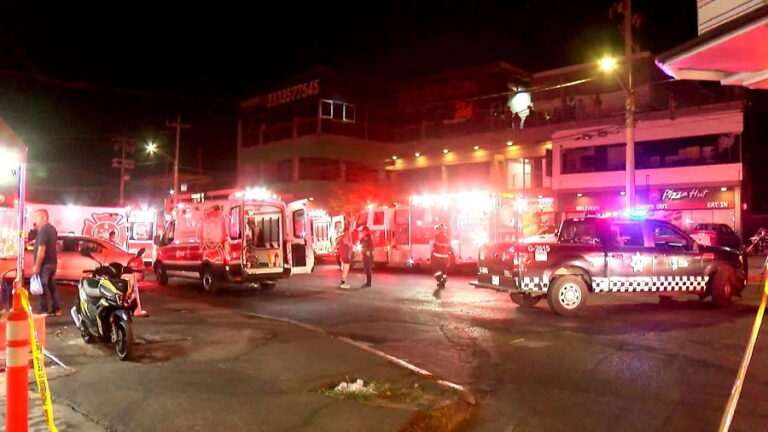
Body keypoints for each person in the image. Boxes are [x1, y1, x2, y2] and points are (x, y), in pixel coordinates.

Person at [32, 209, 59, 316]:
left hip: (45, 264)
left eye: (37, 217)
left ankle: (44, 310)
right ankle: (57, 309)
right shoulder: (52, 229)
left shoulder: (43, 230)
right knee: (52, 286)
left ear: (44, 217)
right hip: (53, 262)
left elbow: (41, 249)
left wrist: (37, 266)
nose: (36, 220)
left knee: (42, 285)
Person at [431, 223, 453, 288]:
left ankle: (440, 280)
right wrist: (448, 254)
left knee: (436, 270)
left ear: (439, 230)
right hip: (445, 257)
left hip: (437, 257)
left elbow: (436, 245)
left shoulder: (437, 236)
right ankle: (443, 280)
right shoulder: (447, 237)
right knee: (444, 270)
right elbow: (449, 247)